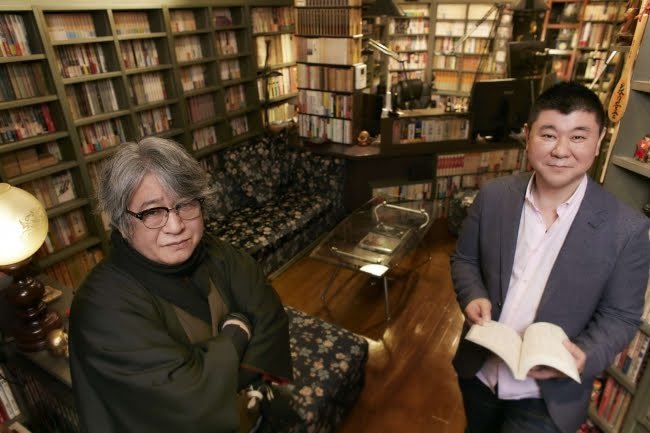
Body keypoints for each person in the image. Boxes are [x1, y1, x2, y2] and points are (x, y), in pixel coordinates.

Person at [451, 81, 650, 433]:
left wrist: (584, 354)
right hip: (481, 372)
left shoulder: (628, 229)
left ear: (599, 141)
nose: (561, 150)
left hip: (548, 397)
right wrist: (473, 295)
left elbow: (621, 315)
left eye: (578, 137)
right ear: (528, 135)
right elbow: (465, 260)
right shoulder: (494, 196)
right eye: (548, 135)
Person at [68, 137, 293, 433]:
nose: (176, 227)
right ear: (123, 223)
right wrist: (237, 333)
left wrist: (212, 370)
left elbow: (270, 316)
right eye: (152, 212)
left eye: (185, 204)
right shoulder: (100, 306)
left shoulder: (216, 251)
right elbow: (186, 400)